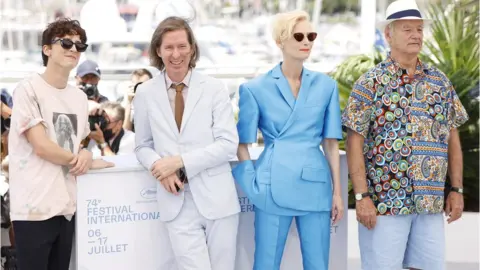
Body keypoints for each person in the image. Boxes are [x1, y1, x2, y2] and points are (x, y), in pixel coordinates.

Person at [341, 1, 469, 269]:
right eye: (408, 29)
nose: (416, 35)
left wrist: (456, 189)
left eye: (419, 29)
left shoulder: (440, 82)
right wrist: (362, 197)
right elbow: (355, 141)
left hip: (430, 202)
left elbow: (452, 137)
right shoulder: (369, 83)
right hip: (384, 202)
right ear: (389, 35)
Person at [233, 10, 344, 270]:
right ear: (280, 41)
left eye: (311, 36)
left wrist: (338, 192)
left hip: (315, 185)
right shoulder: (254, 88)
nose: (307, 41)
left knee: (318, 265)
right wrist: (252, 182)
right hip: (271, 184)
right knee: (266, 264)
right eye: (299, 36)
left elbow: (330, 143)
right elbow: (242, 144)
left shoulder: (326, 86)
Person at [134, 16, 240, 270]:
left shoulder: (214, 88)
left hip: (218, 199)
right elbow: (142, 146)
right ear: (158, 51)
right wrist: (161, 169)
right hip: (176, 201)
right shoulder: (145, 92)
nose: (176, 54)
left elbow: (228, 144)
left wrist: (179, 162)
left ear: (192, 48)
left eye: (182, 46)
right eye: (168, 47)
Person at [7, 18, 113, 270]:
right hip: (34, 209)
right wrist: (82, 158)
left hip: (67, 207)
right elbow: (41, 146)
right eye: (66, 42)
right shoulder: (28, 89)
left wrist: (86, 154)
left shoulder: (78, 97)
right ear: (47, 49)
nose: (73, 49)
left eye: (80, 45)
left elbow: (78, 144)